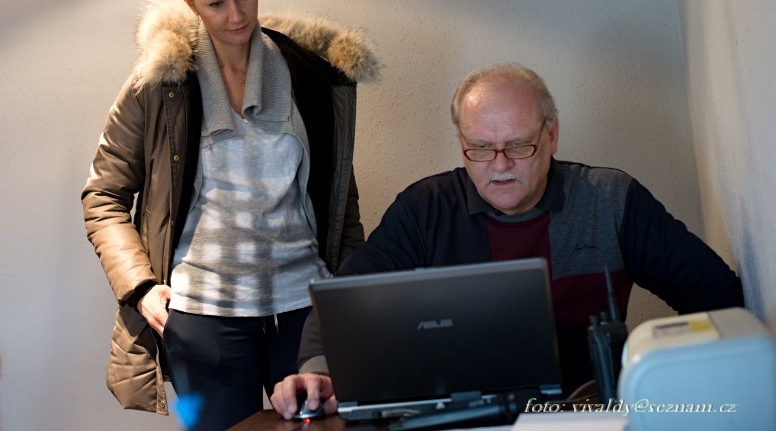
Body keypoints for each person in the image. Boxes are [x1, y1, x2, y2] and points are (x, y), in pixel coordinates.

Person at [271, 61, 744, 420]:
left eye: (519, 145)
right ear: (462, 143)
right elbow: (343, 304)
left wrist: (668, 384)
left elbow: (715, 293)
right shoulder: (424, 209)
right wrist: (317, 371)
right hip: (458, 416)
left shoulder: (609, 199)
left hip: (585, 411)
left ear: (552, 135)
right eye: (480, 148)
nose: (499, 165)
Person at [81, 0, 379, 431]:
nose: (236, 15)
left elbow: (339, 197)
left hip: (305, 308)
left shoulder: (309, 73)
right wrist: (141, 287)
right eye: (216, 3)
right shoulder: (161, 84)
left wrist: (347, 290)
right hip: (202, 319)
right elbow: (103, 196)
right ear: (190, 3)